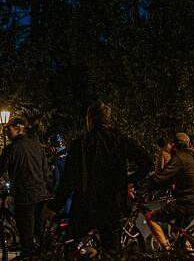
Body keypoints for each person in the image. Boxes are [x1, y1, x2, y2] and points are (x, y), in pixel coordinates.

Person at [46, 103, 151, 249]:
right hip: (112, 204)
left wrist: (54, 206)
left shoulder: (80, 144)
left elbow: (68, 180)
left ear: (90, 120)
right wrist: (128, 180)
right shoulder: (119, 140)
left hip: (86, 205)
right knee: (112, 249)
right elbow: (146, 162)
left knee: (71, 246)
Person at [0, 117, 51, 261]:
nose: (6, 132)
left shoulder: (12, 148)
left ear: (18, 128)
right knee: (39, 232)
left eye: (8, 129)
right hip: (41, 195)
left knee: (26, 238)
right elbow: (46, 172)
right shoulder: (37, 146)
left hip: (25, 196)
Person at [141, 133, 194, 246]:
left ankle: (167, 252)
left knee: (150, 217)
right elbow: (170, 179)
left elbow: (161, 176)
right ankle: (191, 258)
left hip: (188, 203)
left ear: (175, 145)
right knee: (178, 235)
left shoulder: (180, 158)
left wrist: (141, 186)